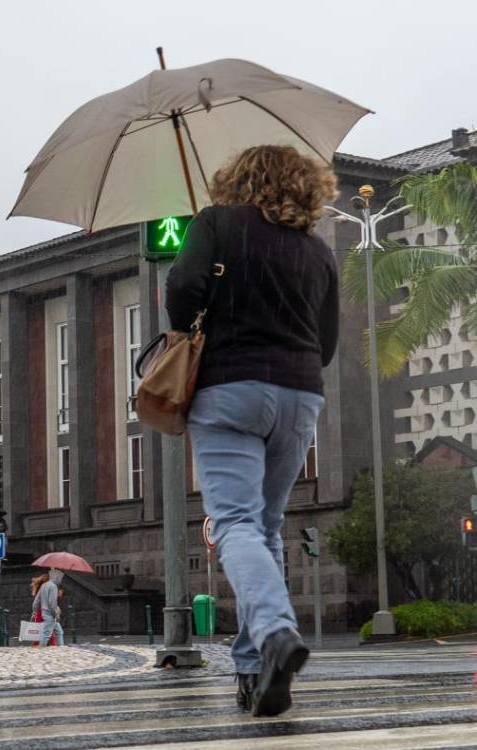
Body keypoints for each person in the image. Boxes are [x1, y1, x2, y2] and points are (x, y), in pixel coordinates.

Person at [165, 144, 339, 718]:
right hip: (300, 393)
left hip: (229, 389)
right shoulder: (318, 252)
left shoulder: (215, 223)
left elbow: (181, 294)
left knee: (235, 522)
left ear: (238, 178)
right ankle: (255, 667)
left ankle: (275, 632)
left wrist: (206, 305)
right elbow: (329, 342)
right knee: (264, 528)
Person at [31, 569, 64, 646]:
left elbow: (36, 601)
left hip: (44, 612)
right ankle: (42, 650)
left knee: (59, 632)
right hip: (50, 614)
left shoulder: (44, 585)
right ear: (56, 577)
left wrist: (35, 611)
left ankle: (61, 649)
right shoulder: (53, 586)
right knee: (46, 635)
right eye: (60, 578)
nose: (60, 580)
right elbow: (52, 603)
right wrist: (56, 614)